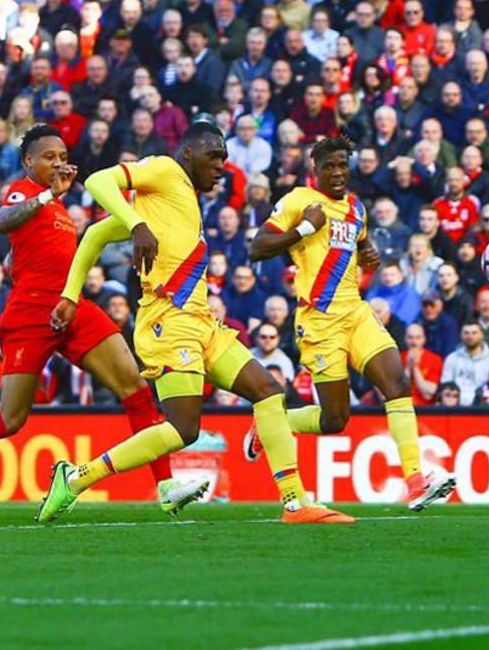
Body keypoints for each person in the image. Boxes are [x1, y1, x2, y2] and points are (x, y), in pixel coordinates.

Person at [37, 123, 350, 524]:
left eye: (224, 157)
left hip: (203, 323)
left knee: (269, 391)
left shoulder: (174, 202)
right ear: (188, 153)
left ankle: (294, 503)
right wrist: (134, 226)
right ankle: (77, 477)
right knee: (184, 429)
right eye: (213, 156)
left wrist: (71, 293)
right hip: (167, 321)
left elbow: (96, 234)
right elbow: (99, 180)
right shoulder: (166, 171)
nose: (221, 165)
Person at [0, 125, 210, 517]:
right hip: (30, 315)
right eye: (48, 156)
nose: (57, 162)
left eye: (62, 155)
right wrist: (47, 197)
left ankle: (166, 484)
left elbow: (35, 251)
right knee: (12, 418)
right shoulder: (25, 192)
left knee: (134, 386)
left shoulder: (60, 208)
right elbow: (3, 221)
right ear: (28, 161)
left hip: (72, 307)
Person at [248, 135, 456, 512]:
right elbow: (257, 247)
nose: (338, 172)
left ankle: (415, 480)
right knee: (334, 420)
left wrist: (366, 252)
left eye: (343, 164)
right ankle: (275, 422)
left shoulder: (357, 208)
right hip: (318, 322)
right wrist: (303, 231)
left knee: (396, 380)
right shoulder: (298, 201)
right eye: (329, 166)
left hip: (356, 312)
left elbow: (355, 243)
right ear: (315, 170)